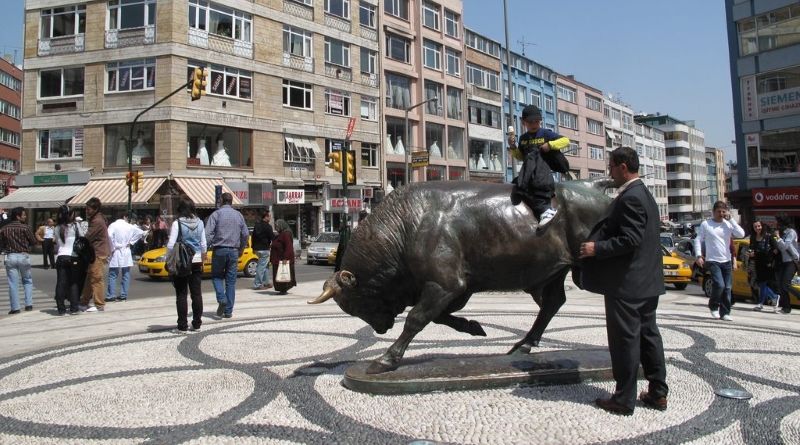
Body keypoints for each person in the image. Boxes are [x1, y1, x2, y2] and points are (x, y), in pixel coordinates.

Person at [579, 146, 668, 416]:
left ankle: (624, 399)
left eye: (611, 166)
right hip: (647, 282)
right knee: (649, 336)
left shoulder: (631, 197)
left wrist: (597, 249)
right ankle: (657, 393)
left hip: (628, 284)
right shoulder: (645, 194)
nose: (609, 172)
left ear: (622, 167)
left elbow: (631, 239)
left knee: (625, 341)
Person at [507, 105, 570, 227]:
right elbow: (520, 157)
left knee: (534, 165)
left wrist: (550, 145)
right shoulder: (523, 138)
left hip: (542, 171)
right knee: (518, 185)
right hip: (529, 171)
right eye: (531, 122)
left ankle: (546, 210)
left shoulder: (545, 133)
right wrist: (513, 147)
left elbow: (566, 141)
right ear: (524, 122)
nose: (534, 124)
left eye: (537, 121)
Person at [693, 201, 745, 321]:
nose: (721, 214)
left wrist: (731, 219)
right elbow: (698, 239)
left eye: (723, 212)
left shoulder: (727, 224)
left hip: (726, 260)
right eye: (718, 212)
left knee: (727, 287)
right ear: (713, 212)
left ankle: (725, 312)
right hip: (712, 260)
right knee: (719, 285)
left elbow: (741, 234)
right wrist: (699, 255)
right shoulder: (706, 224)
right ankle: (714, 306)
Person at [167, 197, 207, 332]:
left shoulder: (177, 223)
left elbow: (171, 244)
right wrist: (202, 259)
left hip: (182, 262)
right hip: (196, 261)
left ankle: (182, 325)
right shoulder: (200, 223)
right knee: (196, 294)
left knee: (181, 294)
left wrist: (169, 260)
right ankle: (196, 324)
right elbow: (203, 244)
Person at [206, 192, 248, 319]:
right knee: (231, 282)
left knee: (217, 277)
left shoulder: (216, 214)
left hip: (219, 249)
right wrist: (241, 248)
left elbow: (208, 234)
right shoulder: (238, 215)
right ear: (231, 201)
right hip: (234, 251)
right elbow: (245, 234)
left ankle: (222, 298)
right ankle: (228, 311)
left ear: (221, 200)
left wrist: (206, 248)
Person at [0, 207, 37, 314]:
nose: (25, 216)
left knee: (13, 283)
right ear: (18, 216)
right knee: (27, 280)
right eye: (24, 215)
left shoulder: (4, 228)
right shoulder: (26, 228)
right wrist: (27, 245)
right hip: (23, 255)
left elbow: (1, 242)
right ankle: (28, 304)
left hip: (10, 256)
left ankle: (15, 308)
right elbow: (33, 241)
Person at [54, 205, 87, 315]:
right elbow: (82, 238)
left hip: (61, 257)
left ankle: (61, 309)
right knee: (73, 283)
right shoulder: (75, 226)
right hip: (73, 256)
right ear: (70, 214)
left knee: (61, 283)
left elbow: (58, 244)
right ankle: (74, 308)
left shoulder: (57, 227)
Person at [79, 197, 111, 313]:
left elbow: (88, 237)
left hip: (98, 253)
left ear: (95, 209)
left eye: (89, 209)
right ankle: (84, 302)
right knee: (90, 278)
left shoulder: (97, 221)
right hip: (95, 253)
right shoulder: (96, 218)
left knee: (96, 279)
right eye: (86, 209)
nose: (87, 211)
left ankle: (99, 305)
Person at [106, 212, 144, 302]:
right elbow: (141, 232)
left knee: (113, 274)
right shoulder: (129, 226)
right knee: (126, 274)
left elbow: (109, 236)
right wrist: (131, 242)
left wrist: (112, 247)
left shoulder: (113, 225)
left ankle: (111, 295)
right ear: (124, 217)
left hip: (116, 250)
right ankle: (123, 295)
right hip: (126, 250)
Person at [748, 220, 780, 312]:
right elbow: (751, 248)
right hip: (758, 263)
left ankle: (761, 303)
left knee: (762, 283)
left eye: (759, 226)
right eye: (755, 227)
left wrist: (770, 257)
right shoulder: (753, 237)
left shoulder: (769, 236)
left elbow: (776, 249)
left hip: (767, 263)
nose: (757, 228)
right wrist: (750, 253)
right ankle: (774, 296)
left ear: (762, 226)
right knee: (761, 283)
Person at [774, 215, 799, 314]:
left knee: (785, 284)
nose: (776, 224)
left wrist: (778, 238)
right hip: (784, 261)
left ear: (782, 223)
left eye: (778, 222)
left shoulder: (791, 232)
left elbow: (784, 246)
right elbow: (780, 248)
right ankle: (786, 308)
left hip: (792, 261)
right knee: (781, 285)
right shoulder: (783, 233)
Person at [270, 219, 297, 295]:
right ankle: (281, 289)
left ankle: (283, 289)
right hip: (277, 259)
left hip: (282, 259)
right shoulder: (280, 234)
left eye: (277, 226)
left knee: (283, 275)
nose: (276, 227)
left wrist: (285, 258)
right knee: (278, 275)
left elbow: (289, 247)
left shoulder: (286, 234)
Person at [251, 210, 274, 290]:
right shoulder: (268, 226)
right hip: (264, 249)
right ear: (266, 217)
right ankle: (257, 284)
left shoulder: (257, 225)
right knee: (261, 267)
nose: (270, 217)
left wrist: (252, 247)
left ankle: (266, 282)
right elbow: (272, 237)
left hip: (257, 249)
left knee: (265, 266)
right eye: (269, 216)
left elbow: (253, 237)